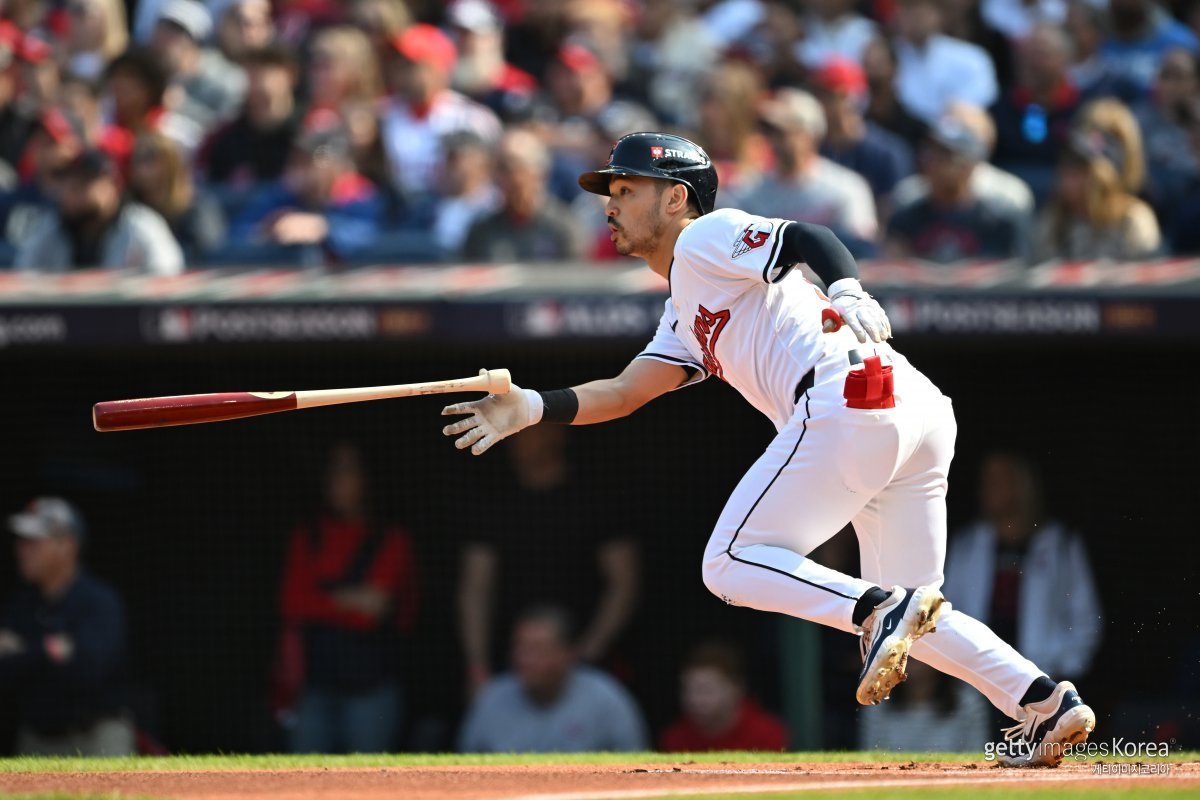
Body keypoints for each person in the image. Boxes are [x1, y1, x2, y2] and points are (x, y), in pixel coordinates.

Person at [440, 131, 1097, 767]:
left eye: (626, 189)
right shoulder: (682, 310)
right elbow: (624, 392)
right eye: (610, 193)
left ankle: (874, 610)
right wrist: (532, 407)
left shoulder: (702, 237)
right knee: (918, 615)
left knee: (728, 563)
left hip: (846, 400)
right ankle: (1043, 702)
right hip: (910, 409)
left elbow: (811, 238)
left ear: (675, 197)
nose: (610, 206)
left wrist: (847, 288)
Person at [457, 424, 639, 697]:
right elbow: (475, 589)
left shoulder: (595, 498)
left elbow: (624, 582)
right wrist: (477, 666)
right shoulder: (493, 503)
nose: (518, 438)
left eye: (528, 429)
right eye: (512, 430)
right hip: (511, 667)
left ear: (559, 433)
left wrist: (589, 651)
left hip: (585, 663)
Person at [278, 443, 418, 753]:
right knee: (303, 774)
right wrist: (350, 599)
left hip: (371, 687)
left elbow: (372, 614)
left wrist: (321, 598)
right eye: (332, 469)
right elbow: (291, 603)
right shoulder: (309, 534)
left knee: (367, 776)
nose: (335, 479)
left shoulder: (390, 537)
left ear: (367, 477)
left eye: (346, 470)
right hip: (315, 686)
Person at [943, 453, 1103, 688]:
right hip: (977, 683)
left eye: (998, 481)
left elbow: (1086, 618)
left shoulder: (1060, 544)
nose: (987, 489)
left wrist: (1063, 669)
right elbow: (946, 610)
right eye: (985, 481)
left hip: (1043, 681)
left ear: (1021, 485)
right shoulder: (968, 543)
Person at [0, 497, 134, 756]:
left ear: (67, 545)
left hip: (95, 737)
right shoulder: (20, 605)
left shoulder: (99, 601)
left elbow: (89, 669)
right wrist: (49, 650)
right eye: (21, 541)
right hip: (37, 740)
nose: (22, 550)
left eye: (34, 541)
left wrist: (26, 650)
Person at [458, 605, 648, 752]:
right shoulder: (492, 698)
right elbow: (464, 767)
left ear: (568, 654)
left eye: (536, 649)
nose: (524, 659)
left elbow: (636, 765)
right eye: (519, 648)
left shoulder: (606, 699)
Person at [731, 88, 878, 249]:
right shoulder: (750, 192)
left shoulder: (846, 188)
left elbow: (860, 251)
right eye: (770, 131)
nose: (775, 140)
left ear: (810, 135)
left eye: (784, 132)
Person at [230, 117, 384, 265]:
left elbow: (375, 235)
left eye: (310, 161)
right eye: (299, 160)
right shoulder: (284, 193)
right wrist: (267, 229)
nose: (302, 169)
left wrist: (323, 228)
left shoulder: (358, 193)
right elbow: (238, 233)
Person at [380, 23, 501, 202]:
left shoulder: (471, 118)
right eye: (399, 64)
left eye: (412, 65)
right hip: (399, 207)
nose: (403, 73)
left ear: (438, 68)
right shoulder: (384, 114)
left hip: (454, 207)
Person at [16, 148, 185, 273]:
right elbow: (23, 277)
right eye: (67, 184)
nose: (71, 193)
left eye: (82, 184)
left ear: (113, 186)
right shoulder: (51, 226)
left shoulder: (142, 227)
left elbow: (168, 282)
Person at [886, 117, 1026, 262]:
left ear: (970, 166)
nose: (933, 163)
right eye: (929, 153)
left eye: (945, 156)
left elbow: (1013, 270)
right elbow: (894, 265)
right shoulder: (906, 217)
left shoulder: (999, 220)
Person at [1030, 126, 1161, 262]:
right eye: (1066, 167)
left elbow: (1148, 268)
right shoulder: (1054, 220)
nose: (1068, 177)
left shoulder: (1132, 219)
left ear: (1103, 176)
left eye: (1079, 170)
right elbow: (1039, 266)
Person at [460, 128, 583, 262]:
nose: (502, 177)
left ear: (538, 173)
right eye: (498, 168)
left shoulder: (563, 228)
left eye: (509, 167)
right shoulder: (481, 231)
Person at [199, 45, 303, 195]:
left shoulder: (309, 129)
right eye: (251, 75)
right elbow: (206, 187)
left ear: (291, 78)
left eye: (265, 74)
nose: (256, 85)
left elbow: (325, 169)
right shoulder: (225, 138)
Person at [659, 641, 788, 752]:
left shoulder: (767, 735)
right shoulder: (674, 739)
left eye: (705, 690)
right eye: (687, 689)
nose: (693, 700)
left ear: (737, 688)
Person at [892, 0, 999, 126]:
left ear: (938, 15)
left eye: (920, 12)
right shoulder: (890, 57)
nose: (913, 20)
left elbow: (978, 106)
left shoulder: (972, 58)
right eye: (907, 11)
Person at [150, 0, 246, 132]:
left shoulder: (227, 80)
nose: (165, 37)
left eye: (177, 30)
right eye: (162, 27)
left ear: (195, 41)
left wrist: (184, 106)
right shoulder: (143, 70)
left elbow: (230, 126)